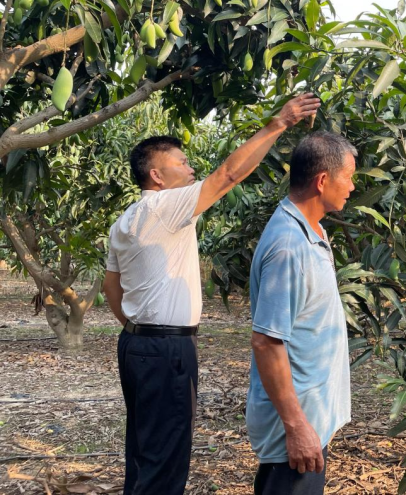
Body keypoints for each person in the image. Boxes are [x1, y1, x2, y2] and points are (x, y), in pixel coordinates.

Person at [102, 94, 320, 495]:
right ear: (157, 176)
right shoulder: (165, 206)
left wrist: (137, 327)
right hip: (166, 350)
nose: (191, 169)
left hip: (135, 345)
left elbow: (110, 285)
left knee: (144, 451)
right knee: (165, 460)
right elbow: (228, 175)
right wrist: (279, 123)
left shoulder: (126, 219)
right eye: (181, 163)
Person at [247, 131, 356, 495]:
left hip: (311, 417)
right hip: (294, 429)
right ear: (322, 181)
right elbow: (266, 342)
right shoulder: (289, 247)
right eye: (349, 177)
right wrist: (296, 427)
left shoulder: (312, 230)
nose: (353, 187)